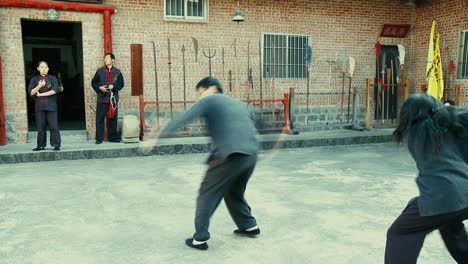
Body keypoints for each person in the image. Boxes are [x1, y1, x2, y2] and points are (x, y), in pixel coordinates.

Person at [144, 77, 260, 250]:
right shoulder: (239, 104)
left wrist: (157, 137)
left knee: (207, 193)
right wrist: (274, 144)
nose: (199, 97)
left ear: (211, 88)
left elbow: (184, 117)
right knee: (233, 191)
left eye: (200, 92)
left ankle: (200, 238)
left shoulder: (210, 99)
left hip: (229, 154)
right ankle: (249, 226)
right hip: (250, 155)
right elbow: (260, 122)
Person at [385, 94, 468, 263]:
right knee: (448, 222)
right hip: (463, 194)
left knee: (400, 232)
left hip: (445, 196)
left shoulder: (416, 133)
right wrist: (450, 110)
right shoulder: (452, 127)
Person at [27, 61, 61, 151]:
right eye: (41, 67)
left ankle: (56, 145)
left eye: (45, 67)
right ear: (38, 68)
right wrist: (39, 86)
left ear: (48, 68)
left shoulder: (52, 78)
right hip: (39, 106)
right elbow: (31, 92)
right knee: (40, 127)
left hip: (51, 106)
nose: (44, 69)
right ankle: (41, 145)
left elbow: (54, 90)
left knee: (54, 126)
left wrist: (41, 95)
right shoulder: (34, 79)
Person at [91, 53, 124, 144]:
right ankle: (99, 138)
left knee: (113, 118)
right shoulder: (99, 71)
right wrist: (99, 88)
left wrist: (114, 86)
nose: (105, 60)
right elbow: (94, 83)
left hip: (113, 100)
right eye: (105, 58)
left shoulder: (118, 72)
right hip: (102, 98)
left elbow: (121, 84)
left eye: (107, 58)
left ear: (112, 60)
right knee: (100, 119)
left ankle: (113, 137)